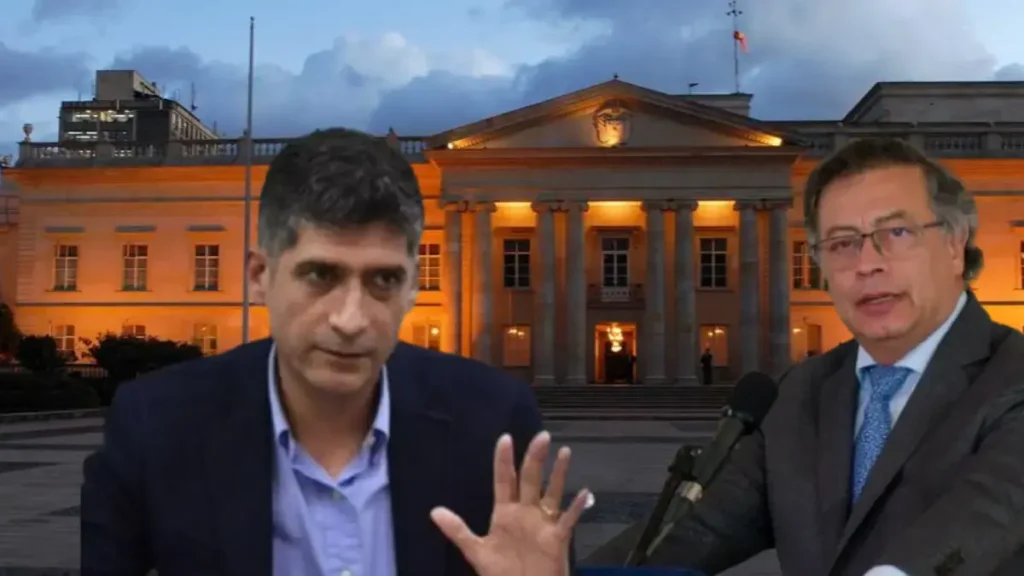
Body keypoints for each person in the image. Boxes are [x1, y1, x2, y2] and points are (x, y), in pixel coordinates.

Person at [80, 128, 589, 576]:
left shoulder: (494, 422)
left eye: (384, 280)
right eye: (320, 275)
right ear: (260, 276)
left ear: (413, 287)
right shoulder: (156, 425)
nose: (351, 320)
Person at [647, 138, 1024, 576]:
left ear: (955, 246)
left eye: (896, 233)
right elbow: (702, 529)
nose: (866, 264)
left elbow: (986, 512)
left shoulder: (1011, 375)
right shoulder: (799, 391)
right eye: (842, 244)